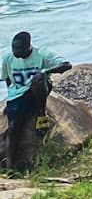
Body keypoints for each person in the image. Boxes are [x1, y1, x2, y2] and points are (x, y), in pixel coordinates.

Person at [4, 31, 70, 175]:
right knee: (13, 128)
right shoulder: (8, 59)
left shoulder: (41, 54)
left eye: (19, 48)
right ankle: (10, 167)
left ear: (28, 46)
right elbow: (7, 79)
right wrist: (11, 96)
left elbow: (67, 65)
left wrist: (45, 71)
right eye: (14, 48)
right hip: (19, 94)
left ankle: (41, 115)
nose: (16, 51)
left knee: (39, 80)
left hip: (37, 91)